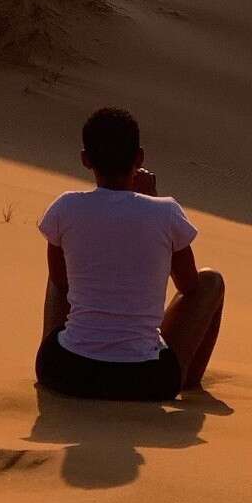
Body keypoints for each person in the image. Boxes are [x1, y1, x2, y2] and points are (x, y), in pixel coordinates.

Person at [35, 106, 224, 401]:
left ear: (85, 159)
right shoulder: (166, 212)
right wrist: (149, 203)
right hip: (147, 380)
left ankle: (78, 344)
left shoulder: (65, 207)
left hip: (65, 373)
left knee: (58, 273)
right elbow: (189, 285)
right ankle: (187, 381)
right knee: (211, 281)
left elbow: (61, 282)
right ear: (139, 158)